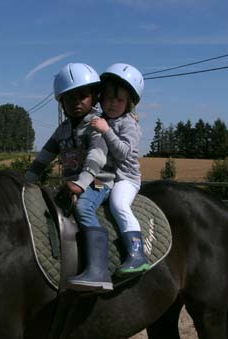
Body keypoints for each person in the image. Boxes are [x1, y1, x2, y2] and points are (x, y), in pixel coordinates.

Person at [25, 63, 115, 292]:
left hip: (97, 182)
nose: (76, 102)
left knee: (84, 209)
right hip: (72, 184)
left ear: (94, 96)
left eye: (83, 96)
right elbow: (44, 156)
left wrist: (81, 183)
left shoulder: (97, 125)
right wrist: (25, 180)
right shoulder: (63, 129)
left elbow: (97, 156)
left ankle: (99, 270)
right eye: (69, 98)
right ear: (61, 102)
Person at [90, 63, 150, 277]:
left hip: (126, 178)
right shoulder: (104, 120)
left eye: (119, 100)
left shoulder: (128, 124)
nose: (112, 104)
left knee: (118, 204)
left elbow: (123, 153)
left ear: (129, 103)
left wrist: (106, 131)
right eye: (108, 98)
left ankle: (137, 254)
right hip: (108, 177)